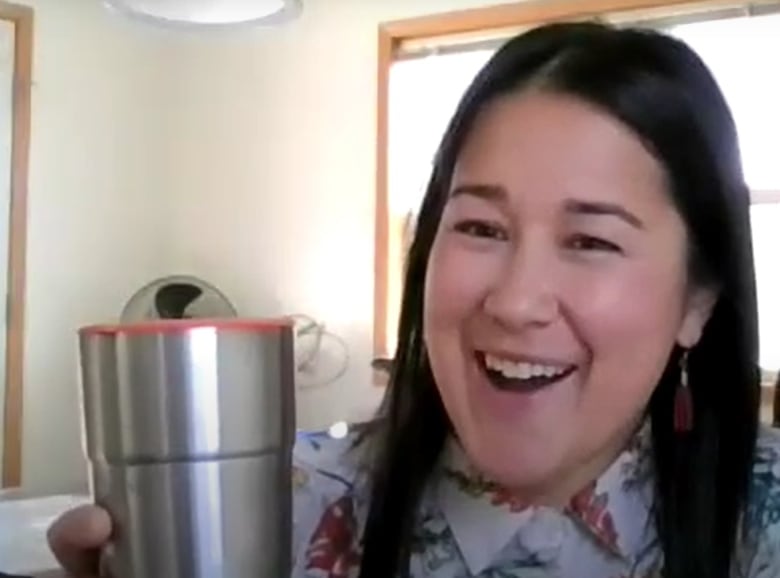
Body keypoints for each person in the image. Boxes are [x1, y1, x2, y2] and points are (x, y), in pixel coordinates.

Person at [45, 20, 780, 578]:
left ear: (698, 301)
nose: (516, 301)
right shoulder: (278, 515)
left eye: (591, 242)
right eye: (481, 227)